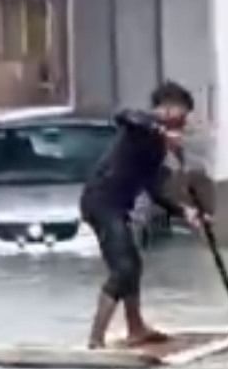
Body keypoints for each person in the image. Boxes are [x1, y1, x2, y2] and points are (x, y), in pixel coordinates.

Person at [81, 81, 208, 349]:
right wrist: (160, 129)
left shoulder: (157, 146)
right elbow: (123, 115)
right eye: (182, 115)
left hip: (117, 206)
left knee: (133, 265)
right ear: (168, 109)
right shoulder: (139, 126)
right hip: (100, 203)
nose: (183, 123)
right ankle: (95, 339)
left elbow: (152, 188)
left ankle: (135, 328)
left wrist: (184, 211)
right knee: (123, 268)